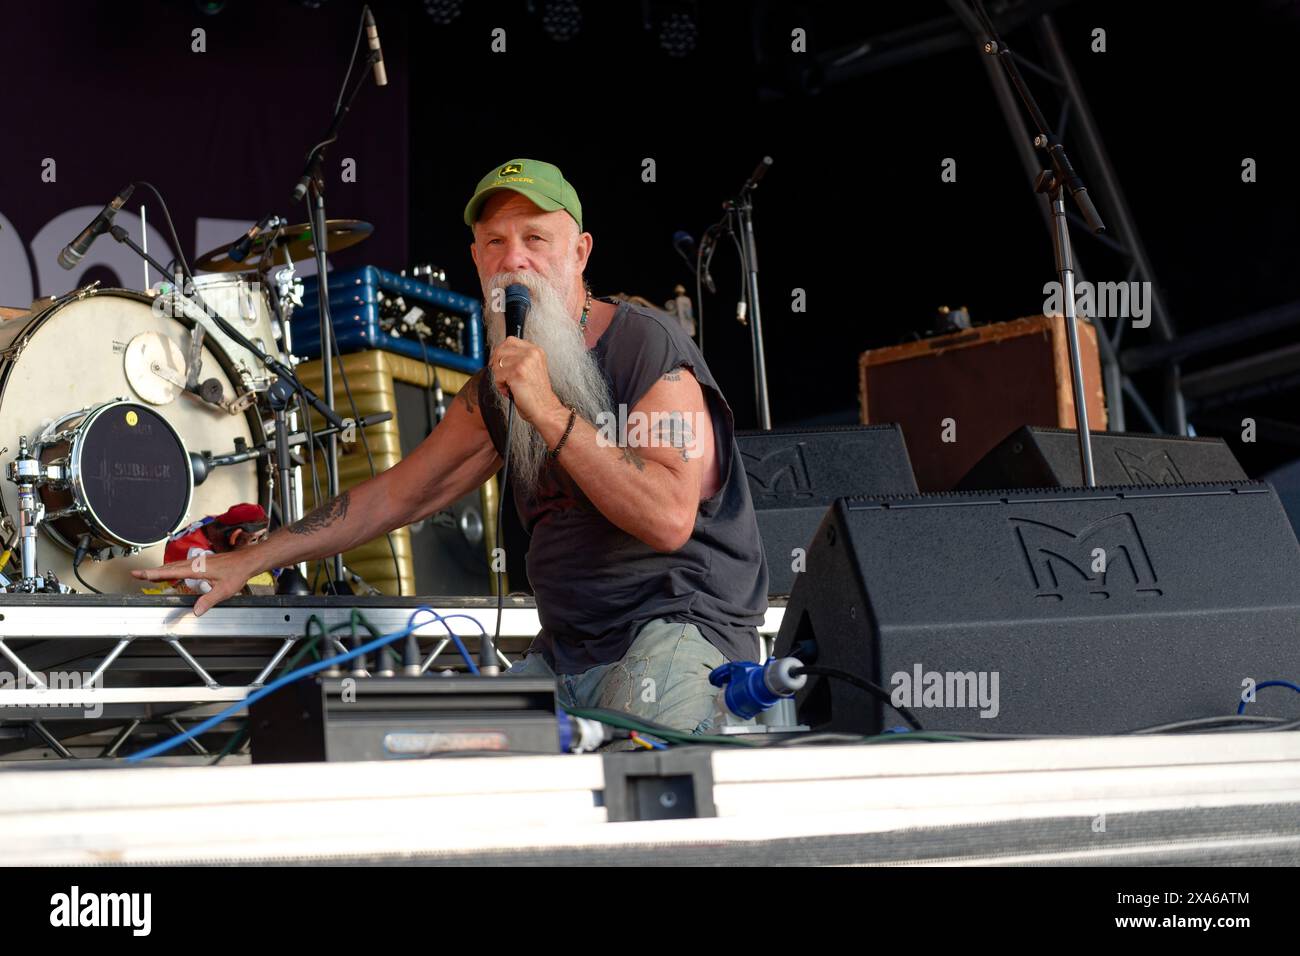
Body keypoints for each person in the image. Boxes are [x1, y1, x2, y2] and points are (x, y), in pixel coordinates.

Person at [133, 158, 768, 736]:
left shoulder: (648, 348)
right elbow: (398, 495)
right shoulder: (497, 384)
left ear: (580, 253)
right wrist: (256, 557)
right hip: (568, 653)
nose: (513, 259)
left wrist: (545, 408)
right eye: (495, 243)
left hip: (675, 635)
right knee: (446, 764)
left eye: (535, 240)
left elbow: (667, 517)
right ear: (476, 259)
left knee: (650, 808)